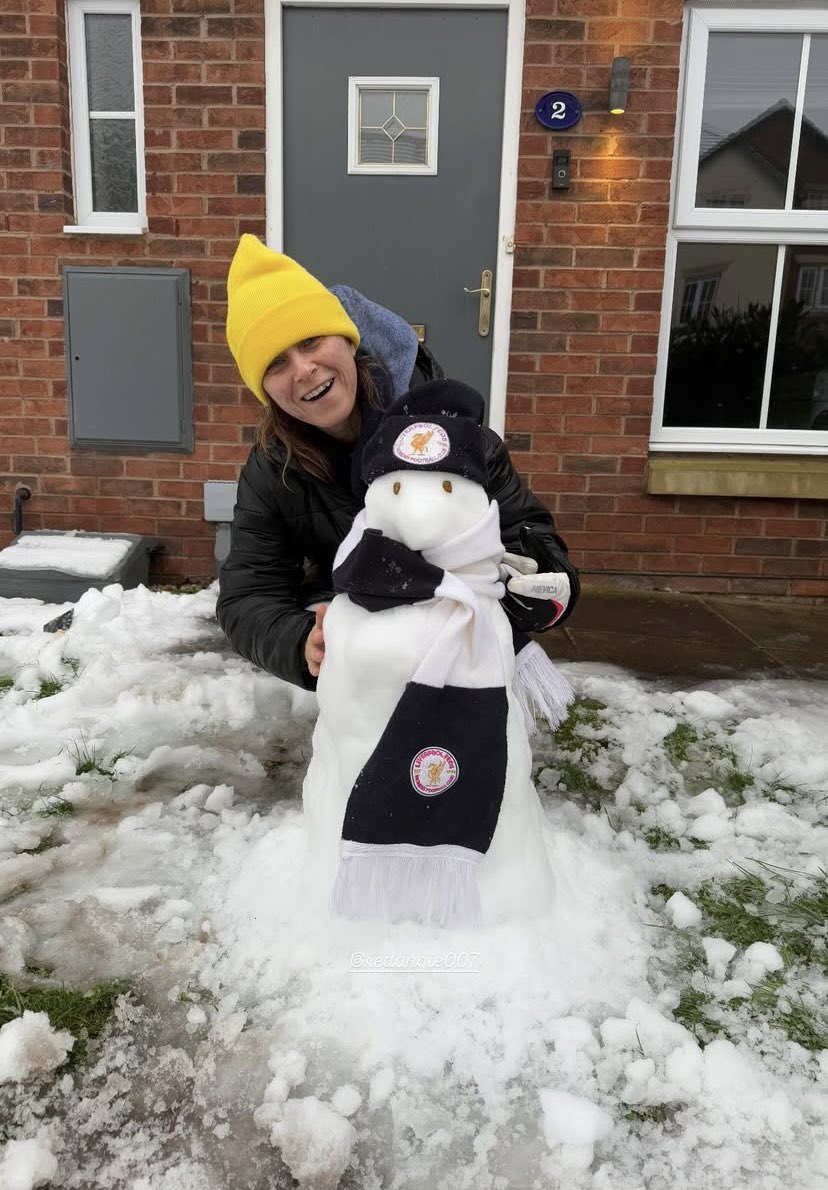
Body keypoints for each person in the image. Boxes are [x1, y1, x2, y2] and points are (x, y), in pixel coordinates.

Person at [217, 234, 579, 690]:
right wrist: (301, 641)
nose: (303, 369)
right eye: (275, 363)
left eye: (310, 341)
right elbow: (248, 595)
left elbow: (533, 540)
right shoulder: (274, 468)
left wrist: (538, 584)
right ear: (264, 389)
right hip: (362, 650)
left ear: (347, 340)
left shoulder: (450, 434)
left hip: (464, 642)